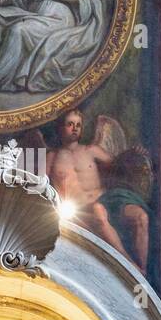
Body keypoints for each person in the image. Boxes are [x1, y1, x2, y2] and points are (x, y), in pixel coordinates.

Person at [46, 110, 143, 271]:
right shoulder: (52, 156)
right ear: (61, 128)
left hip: (106, 200)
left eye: (78, 125)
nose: (75, 128)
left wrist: (135, 155)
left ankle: (143, 271)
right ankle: (129, 265)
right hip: (77, 209)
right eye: (70, 124)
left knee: (141, 217)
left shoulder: (91, 150)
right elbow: (39, 183)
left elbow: (119, 165)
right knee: (98, 211)